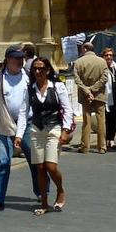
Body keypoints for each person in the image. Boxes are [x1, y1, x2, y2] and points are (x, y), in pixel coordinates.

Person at [17, 56, 70, 215]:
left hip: (53, 128)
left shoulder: (58, 87)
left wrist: (66, 130)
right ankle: (45, 203)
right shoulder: (30, 89)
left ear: (47, 70)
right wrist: (19, 135)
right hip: (36, 130)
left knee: (51, 166)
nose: (38, 71)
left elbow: (67, 108)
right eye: (35, 69)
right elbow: (23, 112)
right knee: (39, 167)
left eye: (41, 68)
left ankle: (60, 190)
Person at [0, 47, 28, 211]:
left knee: (36, 161)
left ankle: (41, 192)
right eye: (16, 58)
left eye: (22, 58)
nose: (20, 61)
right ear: (8, 59)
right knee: (2, 161)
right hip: (4, 125)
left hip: (27, 125)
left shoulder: (29, 77)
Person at [73, 42, 108, 154]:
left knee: (86, 120)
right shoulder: (102, 61)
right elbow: (104, 78)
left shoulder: (78, 62)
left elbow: (77, 79)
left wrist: (87, 90)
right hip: (99, 94)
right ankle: (102, 146)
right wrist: (94, 89)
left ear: (84, 49)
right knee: (101, 120)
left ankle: (85, 146)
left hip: (85, 95)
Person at [102, 48, 116, 151]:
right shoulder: (101, 68)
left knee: (115, 120)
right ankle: (105, 140)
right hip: (107, 97)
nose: (109, 57)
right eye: (107, 55)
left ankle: (111, 140)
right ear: (103, 56)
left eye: (111, 55)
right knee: (107, 120)